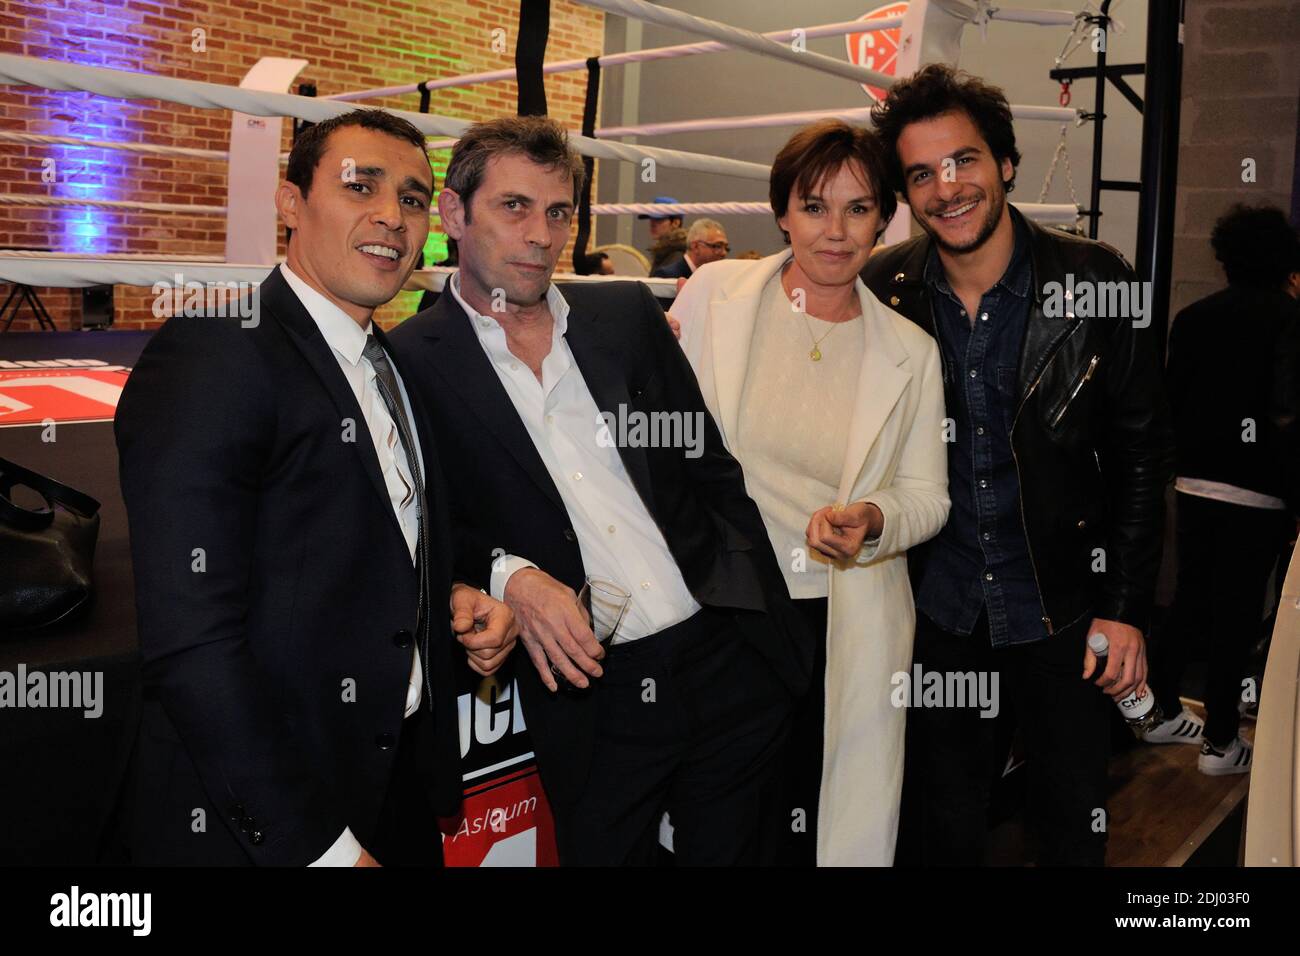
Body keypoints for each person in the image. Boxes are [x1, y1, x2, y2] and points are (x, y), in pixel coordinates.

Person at [388, 116, 811, 866]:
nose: (541, 235)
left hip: (726, 654)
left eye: (558, 213)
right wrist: (508, 576)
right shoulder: (409, 363)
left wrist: (761, 621)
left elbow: (708, 466)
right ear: (454, 216)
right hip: (592, 690)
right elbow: (423, 527)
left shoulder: (622, 314)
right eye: (513, 207)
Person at [114, 109, 516, 866]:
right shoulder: (215, 354)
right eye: (359, 185)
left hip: (390, 786)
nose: (390, 217)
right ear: (291, 203)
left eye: (412, 197)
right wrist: (321, 851)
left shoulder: (386, 360)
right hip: (274, 819)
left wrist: (450, 594)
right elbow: (193, 645)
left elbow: (358, 543)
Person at [860, 65, 1174, 866]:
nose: (947, 187)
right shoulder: (885, 289)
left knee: (1070, 824)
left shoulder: (1100, 279)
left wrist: (1126, 605)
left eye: (964, 161)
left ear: (1004, 163)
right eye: (922, 173)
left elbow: (1142, 455)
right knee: (940, 824)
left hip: (1065, 611)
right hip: (940, 614)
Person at [669, 119, 949, 866]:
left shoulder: (909, 351)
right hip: (718, 609)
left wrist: (873, 517)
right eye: (815, 206)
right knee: (717, 829)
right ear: (782, 211)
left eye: (859, 209)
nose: (836, 230)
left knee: (816, 825)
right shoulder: (714, 295)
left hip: (837, 620)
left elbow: (929, 494)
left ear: (885, 218)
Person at [1145, 204, 1300, 773]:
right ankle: (1220, 741)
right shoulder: (1289, 319)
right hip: (1258, 492)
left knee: (1190, 597)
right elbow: (1288, 417)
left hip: (1192, 483)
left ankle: (1157, 711)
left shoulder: (1193, 317)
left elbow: (1170, 402)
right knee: (1237, 612)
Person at [652, 218, 729, 279]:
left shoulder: (716, 277)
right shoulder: (667, 276)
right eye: (717, 246)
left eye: (726, 248)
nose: (724, 253)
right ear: (695, 247)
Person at [639, 196, 688, 274]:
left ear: (676, 223)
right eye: (651, 219)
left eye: (659, 219)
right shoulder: (666, 253)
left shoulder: (676, 256)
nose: (652, 224)